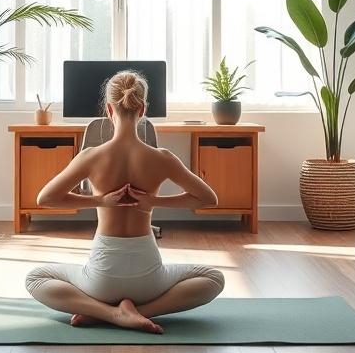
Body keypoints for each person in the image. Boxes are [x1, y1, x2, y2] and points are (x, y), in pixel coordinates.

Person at [25, 70, 225, 334]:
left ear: (108, 109)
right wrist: (153, 201)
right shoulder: (161, 157)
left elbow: (46, 199)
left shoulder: (91, 156)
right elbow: (208, 199)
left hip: (101, 280)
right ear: (142, 109)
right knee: (214, 278)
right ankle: (140, 312)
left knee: (35, 278)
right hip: (149, 280)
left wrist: (101, 201)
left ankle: (107, 313)